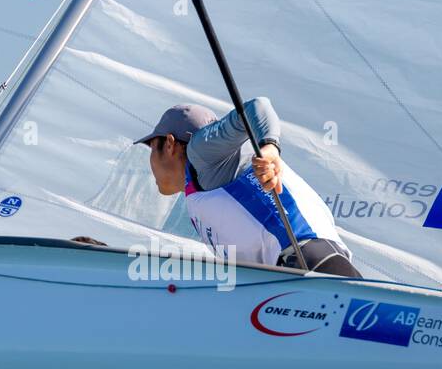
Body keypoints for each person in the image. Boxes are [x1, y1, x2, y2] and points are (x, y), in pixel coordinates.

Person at [136, 99, 361, 276]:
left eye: (151, 148)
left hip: (309, 262)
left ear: (169, 144)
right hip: (306, 266)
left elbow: (258, 106)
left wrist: (270, 149)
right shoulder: (205, 182)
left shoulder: (201, 155)